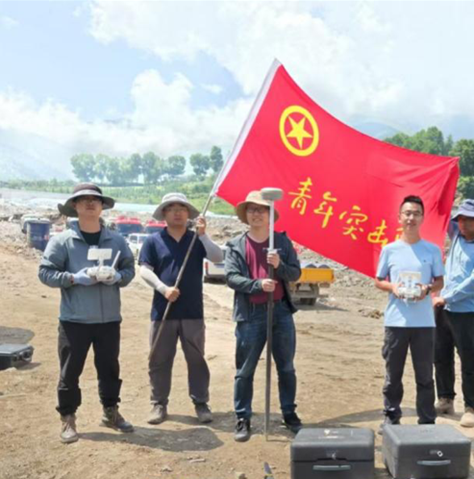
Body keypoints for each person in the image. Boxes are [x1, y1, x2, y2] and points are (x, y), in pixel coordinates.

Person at [39, 183, 136, 444]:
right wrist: (73, 278)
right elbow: (45, 273)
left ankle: (110, 411)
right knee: (70, 372)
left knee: (109, 368)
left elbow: (129, 269)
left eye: (96, 199)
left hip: (109, 320)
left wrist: (118, 276)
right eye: (84, 199)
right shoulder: (63, 241)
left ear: (102, 205)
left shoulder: (116, 240)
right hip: (75, 320)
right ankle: (68, 418)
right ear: (75, 206)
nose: (90, 203)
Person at [138, 193, 224, 425]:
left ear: (188, 213)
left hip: (193, 311)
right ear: (164, 213)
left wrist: (203, 235)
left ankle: (201, 402)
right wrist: (163, 288)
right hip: (162, 311)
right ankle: (158, 403)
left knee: (196, 359)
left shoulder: (196, 240)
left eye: (182, 208)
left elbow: (218, 257)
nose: (177, 212)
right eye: (171, 208)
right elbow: (144, 270)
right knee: (159, 359)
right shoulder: (153, 241)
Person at [224, 190, 303, 442]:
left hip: (280, 311)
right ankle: (242, 417)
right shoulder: (236, 245)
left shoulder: (282, 242)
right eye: (252, 209)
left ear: (270, 214)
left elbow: (295, 274)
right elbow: (231, 277)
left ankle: (289, 413)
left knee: (286, 366)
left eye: (261, 209)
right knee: (245, 369)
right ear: (246, 214)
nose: (256, 214)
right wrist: (257, 285)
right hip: (250, 314)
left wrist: (279, 265)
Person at [375, 195, 444, 426]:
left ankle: (426, 421)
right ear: (399, 217)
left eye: (416, 213)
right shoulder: (390, 250)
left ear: (422, 218)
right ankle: (391, 417)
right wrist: (393, 287)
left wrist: (427, 288)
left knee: (425, 376)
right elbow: (378, 280)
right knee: (393, 375)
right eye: (407, 213)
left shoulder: (432, 250)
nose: (411, 218)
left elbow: (440, 281)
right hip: (396, 322)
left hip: (424, 323)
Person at [433, 199, 474, 428]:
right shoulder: (456, 235)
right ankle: (445, 399)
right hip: (443, 307)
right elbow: (443, 213)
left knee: (469, 360)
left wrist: (447, 297)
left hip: (465, 310)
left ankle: (471, 407)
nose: (463, 224)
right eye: (461, 219)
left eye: (469, 220)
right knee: (440, 355)